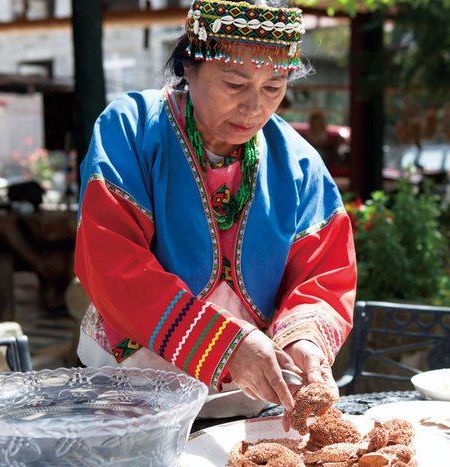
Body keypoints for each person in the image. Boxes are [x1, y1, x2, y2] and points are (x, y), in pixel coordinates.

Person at [74, 0, 356, 422]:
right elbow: (110, 261)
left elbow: (323, 276)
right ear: (190, 67)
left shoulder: (298, 162)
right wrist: (226, 345)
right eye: (235, 83)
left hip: (250, 388)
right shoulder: (131, 129)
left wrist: (305, 341)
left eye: (273, 87)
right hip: (128, 379)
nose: (254, 108)